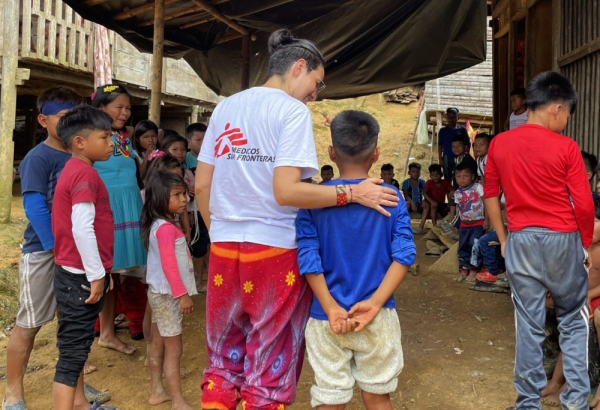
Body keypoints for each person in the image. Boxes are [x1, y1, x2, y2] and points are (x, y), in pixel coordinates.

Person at [196, 29, 398, 410]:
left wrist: (220, 231)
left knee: (223, 359)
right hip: (274, 252)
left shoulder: (226, 107)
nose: (314, 94)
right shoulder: (290, 111)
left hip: (224, 247)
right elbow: (286, 191)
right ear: (299, 66)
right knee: (269, 362)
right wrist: (353, 192)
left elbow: (203, 186)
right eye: (316, 83)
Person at [484, 71, 594, 410]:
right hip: (563, 240)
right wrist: (585, 245)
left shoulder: (500, 143)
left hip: (521, 241)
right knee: (574, 323)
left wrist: (503, 239)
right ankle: (575, 402)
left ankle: (527, 404)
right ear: (557, 108)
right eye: (568, 117)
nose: (565, 123)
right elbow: (585, 204)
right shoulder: (566, 146)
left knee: (528, 327)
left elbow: (491, 196)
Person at [296, 110, 416, 409]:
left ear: (331, 153)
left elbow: (307, 256)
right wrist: (375, 304)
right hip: (377, 315)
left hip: (326, 316)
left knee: (330, 396)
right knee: (377, 396)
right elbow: (404, 256)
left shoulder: (312, 200)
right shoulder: (392, 197)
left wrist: (330, 306)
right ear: (376, 154)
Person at [3, 87, 108, 410]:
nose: (70, 122)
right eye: (64, 117)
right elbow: (34, 207)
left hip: (73, 257)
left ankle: (75, 393)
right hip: (45, 251)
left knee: (71, 325)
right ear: (43, 119)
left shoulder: (79, 156)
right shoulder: (38, 157)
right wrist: (56, 248)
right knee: (30, 322)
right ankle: (13, 393)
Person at [51, 106, 116, 410]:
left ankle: (78, 404)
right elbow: (82, 227)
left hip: (71, 272)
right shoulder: (85, 175)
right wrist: (96, 275)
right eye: (104, 137)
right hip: (80, 276)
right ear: (79, 142)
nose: (112, 143)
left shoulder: (74, 168)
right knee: (73, 355)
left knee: (74, 348)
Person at [92, 84, 145, 354]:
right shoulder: (91, 136)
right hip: (105, 210)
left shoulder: (122, 137)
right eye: (119, 107)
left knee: (111, 273)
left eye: (128, 108)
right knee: (97, 274)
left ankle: (108, 332)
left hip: (127, 207)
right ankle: (79, 341)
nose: (125, 113)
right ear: (101, 108)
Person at [141, 171, 197, 410]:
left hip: (159, 294)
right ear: (160, 197)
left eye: (184, 193)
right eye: (177, 194)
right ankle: (178, 401)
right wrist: (182, 294)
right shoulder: (166, 228)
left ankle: (157, 391)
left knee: (157, 344)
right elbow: (169, 264)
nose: (184, 199)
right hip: (169, 296)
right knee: (174, 350)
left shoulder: (161, 224)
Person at [541, 198, 600, 408]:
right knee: (567, 336)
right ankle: (556, 382)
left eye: (594, 221)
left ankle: (567, 387)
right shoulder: (577, 245)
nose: (588, 226)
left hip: (590, 301)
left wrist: (589, 296)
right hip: (576, 300)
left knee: (575, 338)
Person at [453, 163, 487, 283]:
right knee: (462, 247)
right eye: (458, 176)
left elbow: (487, 203)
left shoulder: (477, 187)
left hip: (477, 225)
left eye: (465, 176)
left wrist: (486, 220)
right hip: (464, 225)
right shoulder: (457, 193)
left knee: (475, 246)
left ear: (472, 176)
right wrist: (455, 224)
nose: (462, 179)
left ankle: (473, 271)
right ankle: (463, 270)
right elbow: (459, 210)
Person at [438, 107, 470, 179]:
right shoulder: (443, 131)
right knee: (447, 176)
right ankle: (448, 190)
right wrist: (440, 158)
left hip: (460, 157)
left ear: (458, 117)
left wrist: (466, 156)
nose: (451, 119)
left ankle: (458, 190)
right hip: (447, 156)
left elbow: (467, 144)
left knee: (460, 175)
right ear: (446, 118)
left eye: (453, 117)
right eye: (449, 117)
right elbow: (440, 145)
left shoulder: (462, 130)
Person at [401, 162, 428, 234]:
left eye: (417, 172)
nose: (415, 173)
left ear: (420, 173)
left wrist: (425, 200)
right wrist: (412, 203)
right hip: (410, 203)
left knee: (426, 204)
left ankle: (420, 226)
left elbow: (425, 194)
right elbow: (406, 196)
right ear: (409, 172)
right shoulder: (406, 182)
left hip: (419, 203)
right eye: (413, 171)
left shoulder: (422, 182)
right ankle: (406, 226)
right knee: (407, 203)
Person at [423, 164, 453, 228]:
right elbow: (424, 193)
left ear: (441, 175)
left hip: (441, 204)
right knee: (434, 205)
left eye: (437, 174)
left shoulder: (445, 182)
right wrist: (431, 202)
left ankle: (447, 224)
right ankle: (434, 226)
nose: (435, 177)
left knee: (451, 206)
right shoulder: (429, 182)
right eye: (433, 175)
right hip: (431, 204)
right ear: (430, 176)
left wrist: (450, 203)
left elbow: (452, 191)